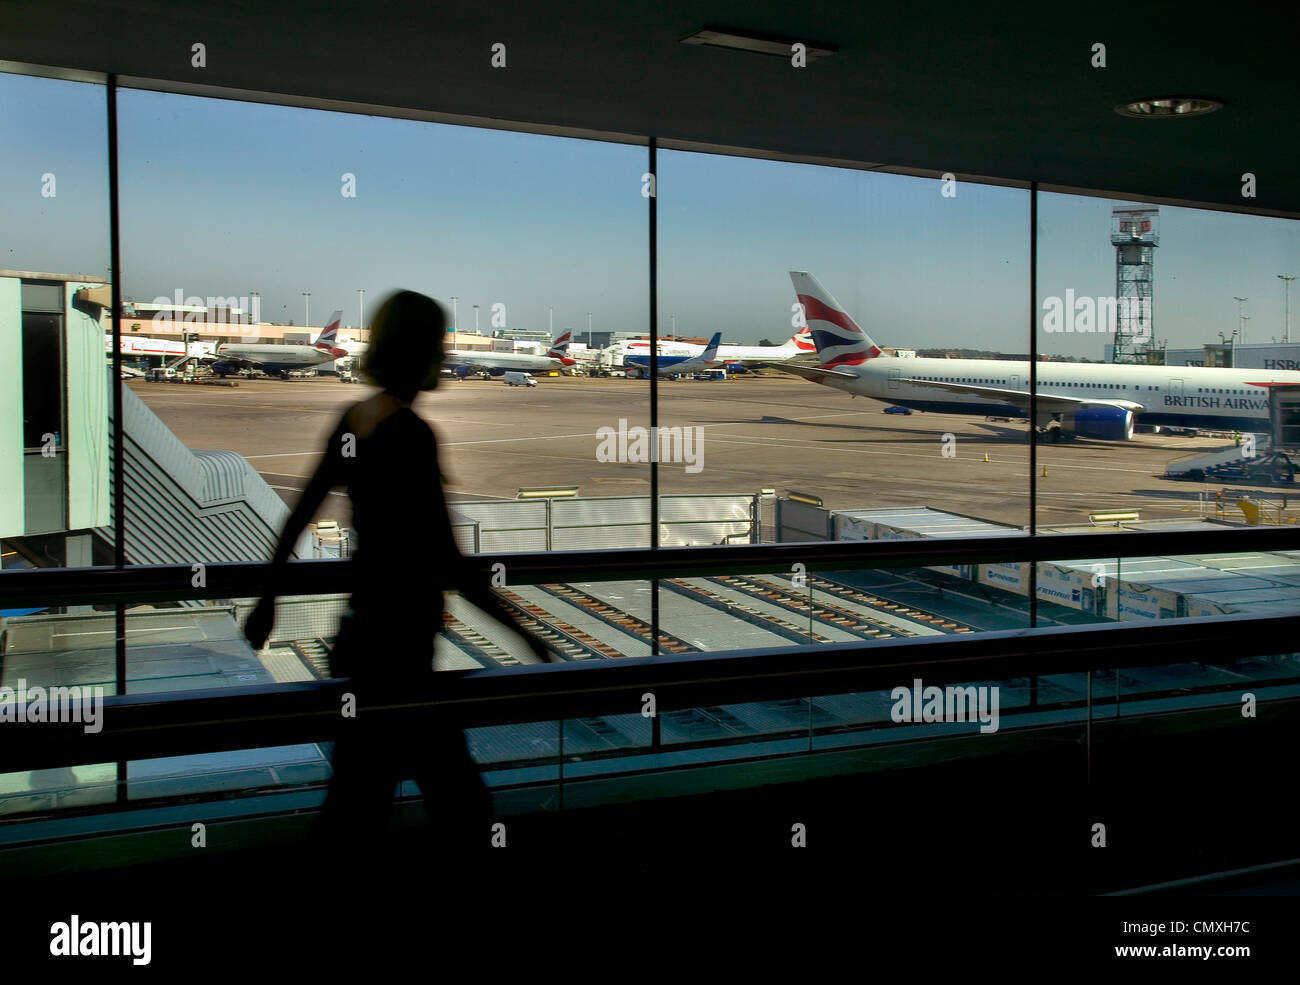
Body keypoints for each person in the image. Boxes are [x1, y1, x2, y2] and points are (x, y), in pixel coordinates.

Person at [243, 290, 553, 866]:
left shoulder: (355, 418)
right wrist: (526, 635)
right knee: (456, 807)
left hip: (360, 641)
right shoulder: (410, 433)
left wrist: (269, 600)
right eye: (436, 342)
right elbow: (450, 562)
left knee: (360, 803)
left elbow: (301, 512)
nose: (444, 352)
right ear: (418, 350)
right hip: (400, 657)